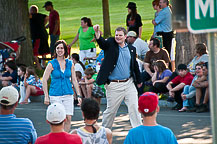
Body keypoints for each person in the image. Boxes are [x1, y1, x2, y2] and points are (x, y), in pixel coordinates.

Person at [94, 25, 142, 129]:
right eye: (116, 35)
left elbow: (135, 66)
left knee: (134, 108)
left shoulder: (131, 49)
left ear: (125, 37)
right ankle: (104, 133)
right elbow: (102, 43)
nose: (118, 37)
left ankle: (138, 132)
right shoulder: (111, 44)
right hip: (114, 85)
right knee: (111, 111)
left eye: (120, 35)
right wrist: (97, 33)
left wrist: (139, 80)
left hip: (129, 83)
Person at [42, 40, 82, 132]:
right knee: (57, 119)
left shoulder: (70, 63)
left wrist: (79, 95)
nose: (60, 50)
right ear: (55, 50)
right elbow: (44, 79)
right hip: (55, 94)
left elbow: (74, 80)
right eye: (58, 48)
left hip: (68, 94)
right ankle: (57, 138)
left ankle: (65, 138)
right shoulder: (51, 64)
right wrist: (46, 96)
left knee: (68, 118)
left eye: (61, 48)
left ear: (65, 50)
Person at [29, 5, 49, 69]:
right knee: (44, 50)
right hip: (44, 35)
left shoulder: (34, 16)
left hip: (37, 36)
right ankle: (43, 64)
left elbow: (29, 16)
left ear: (32, 11)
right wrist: (43, 24)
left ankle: (38, 66)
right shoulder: (40, 15)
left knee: (35, 51)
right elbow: (47, 17)